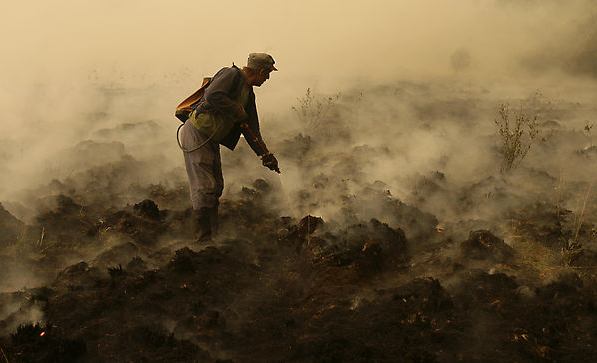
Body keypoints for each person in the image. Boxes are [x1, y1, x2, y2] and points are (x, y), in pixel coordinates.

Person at [179, 53, 279, 242]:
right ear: (262, 71)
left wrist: (264, 155)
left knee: (216, 186)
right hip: (196, 133)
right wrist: (235, 109)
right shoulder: (231, 75)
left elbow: (251, 128)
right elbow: (213, 95)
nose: (267, 79)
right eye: (267, 75)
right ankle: (203, 240)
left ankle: (212, 237)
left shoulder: (248, 93)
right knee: (204, 186)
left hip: (210, 138)